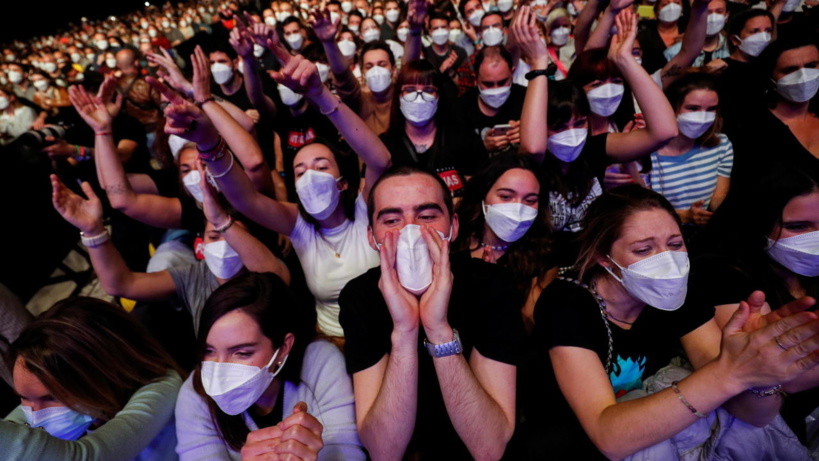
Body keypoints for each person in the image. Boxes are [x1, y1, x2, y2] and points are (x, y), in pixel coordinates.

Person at [525, 185, 819, 459]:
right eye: (644, 250)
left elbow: (754, 416)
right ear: (604, 258)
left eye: (675, 243)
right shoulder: (568, 302)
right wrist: (730, 372)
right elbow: (609, 436)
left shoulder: (678, 293)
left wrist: (758, 373)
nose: (667, 261)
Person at [171, 42, 390, 337]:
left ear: (344, 182)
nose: (310, 176)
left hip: (391, 327)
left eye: (322, 167)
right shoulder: (297, 224)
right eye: (300, 172)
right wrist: (209, 143)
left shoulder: (366, 207)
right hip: (335, 339)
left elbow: (380, 159)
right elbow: (245, 199)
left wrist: (319, 94)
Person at [338, 164, 526, 460]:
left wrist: (438, 329)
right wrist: (405, 331)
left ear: (453, 226)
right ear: (372, 236)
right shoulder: (358, 297)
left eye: (426, 217)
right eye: (391, 219)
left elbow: (489, 448)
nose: (410, 231)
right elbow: (384, 451)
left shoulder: (492, 284)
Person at [518, 8, 678, 265]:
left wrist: (625, 60)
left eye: (579, 123)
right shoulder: (529, 164)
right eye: (559, 127)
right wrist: (538, 65)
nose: (571, 134)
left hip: (594, 268)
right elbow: (534, 148)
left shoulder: (593, 149)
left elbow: (665, 131)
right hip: (541, 272)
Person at [689, 167, 819, 444]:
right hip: (774, 427)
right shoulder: (722, 273)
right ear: (757, 222)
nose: (815, 236)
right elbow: (782, 376)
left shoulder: (809, 272)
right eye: (798, 226)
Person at [175, 272, 364, 460]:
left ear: (283, 348)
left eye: (242, 353)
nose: (219, 370)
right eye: (209, 351)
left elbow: (348, 453)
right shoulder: (195, 394)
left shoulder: (320, 362)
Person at [1, 297, 183, 460]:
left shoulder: (164, 391)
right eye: (24, 397)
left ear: (105, 373)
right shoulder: (90, 405)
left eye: (51, 398)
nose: (33, 415)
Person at [454, 154, 555, 330]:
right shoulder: (452, 243)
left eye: (530, 200)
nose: (518, 208)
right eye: (506, 197)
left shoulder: (543, 257)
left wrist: (497, 287)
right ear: (483, 196)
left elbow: (530, 326)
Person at [380, 58, 485, 198]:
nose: (419, 98)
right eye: (410, 90)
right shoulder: (383, 145)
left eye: (428, 90)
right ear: (399, 95)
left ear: (438, 96)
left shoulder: (464, 138)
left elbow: (478, 196)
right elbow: (370, 199)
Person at [647, 72, 732, 229]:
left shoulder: (721, 144)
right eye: (693, 108)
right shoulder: (645, 153)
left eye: (711, 109)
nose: (702, 116)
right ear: (671, 107)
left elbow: (718, 198)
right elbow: (642, 210)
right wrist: (684, 216)